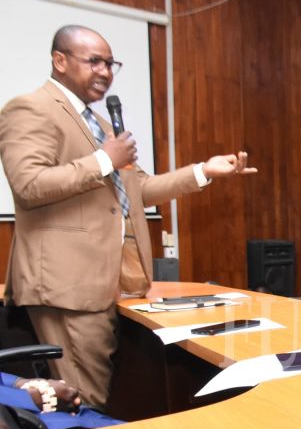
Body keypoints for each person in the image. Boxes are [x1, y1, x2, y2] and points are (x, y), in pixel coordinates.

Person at [0, 25, 256, 409]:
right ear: (60, 60)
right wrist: (105, 159)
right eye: (94, 61)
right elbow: (29, 184)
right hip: (66, 285)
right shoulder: (31, 108)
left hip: (107, 283)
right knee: (83, 400)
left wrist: (203, 170)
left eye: (110, 63)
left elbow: (139, 190)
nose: (104, 71)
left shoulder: (101, 126)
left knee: (98, 393)